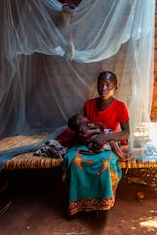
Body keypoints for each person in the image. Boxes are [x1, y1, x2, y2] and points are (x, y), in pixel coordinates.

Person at [62, 71, 130, 217]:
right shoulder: (89, 104)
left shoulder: (120, 106)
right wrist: (83, 136)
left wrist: (106, 138)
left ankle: (102, 203)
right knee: (75, 162)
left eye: (108, 85)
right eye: (101, 85)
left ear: (115, 88)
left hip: (108, 142)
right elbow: (84, 126)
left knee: (105, 164)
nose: (104, 88)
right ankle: (79, 202)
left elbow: (126, 133)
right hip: (90, 144)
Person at [67, 113, 131, 161]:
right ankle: (122, 156)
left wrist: (95, 126)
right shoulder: (81, 128)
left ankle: (120, 148)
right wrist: (96, 130)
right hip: (96, 144)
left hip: (101, 140)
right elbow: (86, 133)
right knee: (112, 143)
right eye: (83, 117)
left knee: (110, 135)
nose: (85, 117)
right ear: (79, 121)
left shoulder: (86, 125)